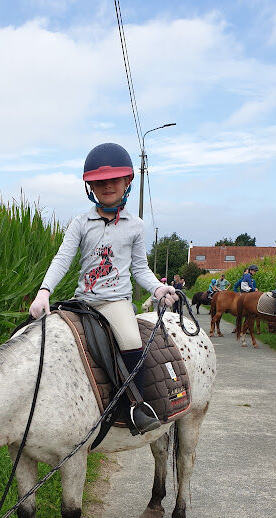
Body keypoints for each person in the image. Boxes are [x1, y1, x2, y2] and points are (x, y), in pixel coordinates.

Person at [29, 142, 178, 434]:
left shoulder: (135, 226)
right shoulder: (80, 223)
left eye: (114, 180)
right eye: (99, 182)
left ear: (127, 182)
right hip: (82, 301)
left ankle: (136, 407)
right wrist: (44, 291)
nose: (107, 185)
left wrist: (158, 289)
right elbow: (63, 258)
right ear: (91, 188)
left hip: (115, 303)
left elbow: (139, 268)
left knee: (131, 341)